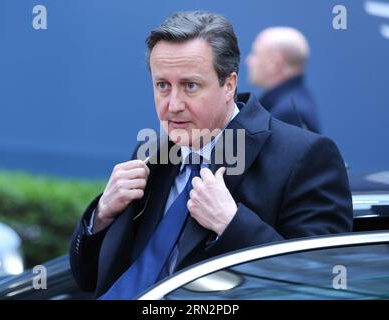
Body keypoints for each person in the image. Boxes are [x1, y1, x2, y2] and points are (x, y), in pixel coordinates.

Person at [70, 11, 352, 300]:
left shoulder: (304, 157)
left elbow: (322, 285)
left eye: (190, 86)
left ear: (229, 85)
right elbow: (86, 277)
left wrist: (231, 224)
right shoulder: (152, 154)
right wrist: (102, 214)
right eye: (162, 85)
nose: (173, 105)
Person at [246, 27, 321, 133]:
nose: (249, 61)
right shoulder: (291, 104)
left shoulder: (289, 113)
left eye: (255, 53)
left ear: (274, 63)